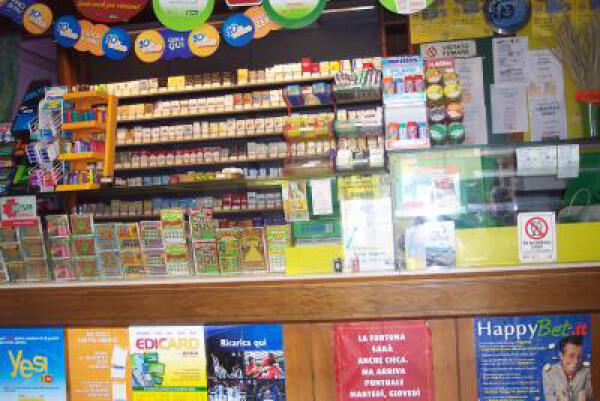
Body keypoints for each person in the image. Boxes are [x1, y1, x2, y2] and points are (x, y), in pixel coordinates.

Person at [543, 335, 594, 401]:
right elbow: (549, 398)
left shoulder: (587, 371)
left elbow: (590, 397)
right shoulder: (550, 373)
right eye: (571, 356)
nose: (576, 361)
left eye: (579, 356)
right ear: (561, 355)